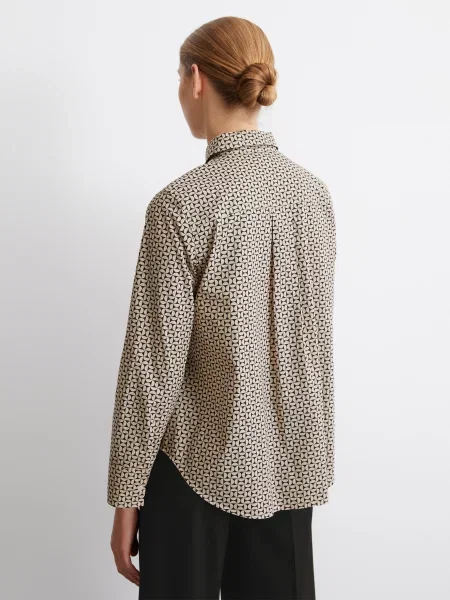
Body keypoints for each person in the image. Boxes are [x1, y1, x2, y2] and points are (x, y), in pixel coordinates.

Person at [107, 15, 336, 600]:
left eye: (177, 78)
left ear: (196, 79)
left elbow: (151, 368)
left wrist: (127, 496)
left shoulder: (179, 205)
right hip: (288, 472)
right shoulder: (313, 197)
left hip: (190, 472)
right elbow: (311, 344)